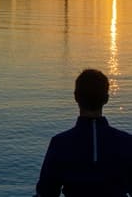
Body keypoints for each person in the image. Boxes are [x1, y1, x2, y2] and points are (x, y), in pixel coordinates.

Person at [35, 69, 132, 197]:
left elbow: (46, 192)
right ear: (106, 99)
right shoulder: (126, 142)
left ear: (76, 97)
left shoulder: (60, 143)